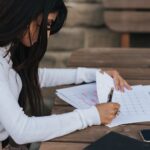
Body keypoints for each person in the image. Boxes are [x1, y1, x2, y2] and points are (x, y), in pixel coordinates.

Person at [0, 0, 131, 149]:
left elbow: (32, 76)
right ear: (25, 14)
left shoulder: (8, 47)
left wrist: (94, 75)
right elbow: (22, 130)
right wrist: (92, 116)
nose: (47, 35)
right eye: (47, 25)